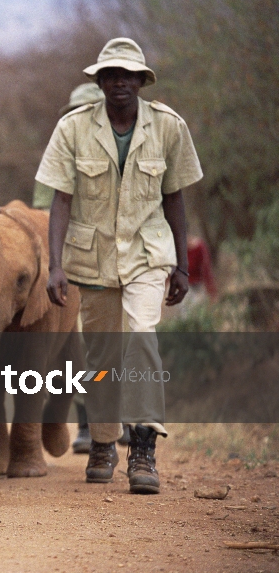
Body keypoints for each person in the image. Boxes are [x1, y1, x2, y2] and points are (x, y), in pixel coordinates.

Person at [37, 38, 203, 494]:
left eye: (128, 75)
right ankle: (105, 442)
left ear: (140, 81)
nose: (119, 83)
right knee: (102, 356)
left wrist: (183, 268)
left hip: (149, 255)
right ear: (100, 81)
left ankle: (144, 447)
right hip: (93, 259)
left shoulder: (169, 127)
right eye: (111, 75)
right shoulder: (73, 128)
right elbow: (61, 200)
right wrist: (56, 266)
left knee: (141, 338)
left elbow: (175, 197)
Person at [32, 82, 105, 455]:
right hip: (77, 257)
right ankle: (89, 421)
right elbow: (45, 211)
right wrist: (55, 263)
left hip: (122, 257)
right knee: (78, 344)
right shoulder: (61, 152)